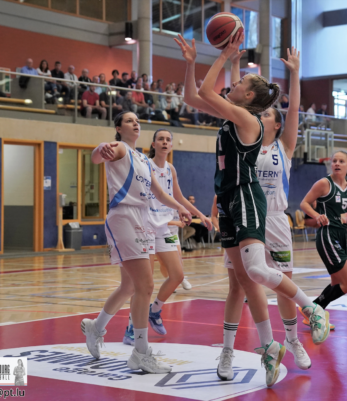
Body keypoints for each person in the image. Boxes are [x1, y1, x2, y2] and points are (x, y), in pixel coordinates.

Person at [175, 32, 330, 388]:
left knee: (259, 272)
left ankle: (310, 310)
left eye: (241, 82)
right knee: (242, 281)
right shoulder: (233, 116)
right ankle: (266, 347)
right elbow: (191, 96)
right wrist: (191, 64)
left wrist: (222, 57)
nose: (235, 83)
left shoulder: (251, 123)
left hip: (251, 200)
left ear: (250, 99)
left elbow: (210, 92)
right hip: (230, 200)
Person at [221, 46, 313, 372]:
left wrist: (294, 73)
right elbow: (237, 103)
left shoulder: (285, 147)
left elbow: (294, 108)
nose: (261, 117)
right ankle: (228, 351)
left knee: (283, 285)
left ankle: (293, 341)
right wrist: (233, 65)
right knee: (238, 286)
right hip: (244, 214)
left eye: (268, 115)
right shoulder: (244, 140)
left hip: (274, 219)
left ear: (277, 124)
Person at [81, 111, 192, 374]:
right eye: (129, 121)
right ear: (119, 128)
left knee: (129, 286)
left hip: (143, 218)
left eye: (137, 121)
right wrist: (100, 148)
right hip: (124, 216)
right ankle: (141, 352)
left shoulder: (142, 158)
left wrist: (180, 207)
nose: (135, 123)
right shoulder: (119, 148)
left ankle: (96, 327)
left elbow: (159, 193)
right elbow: (97, 156)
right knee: (146, 285)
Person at [123, 129, 211, 344]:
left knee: (177, 275)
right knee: (144, 284)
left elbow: (177, 196)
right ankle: (132, 327)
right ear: (153, 144)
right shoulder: (146, 165)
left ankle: (154, 310)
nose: (164, 142)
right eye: (160, 139)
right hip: (146, 227)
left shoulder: (170, 168)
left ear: (171, 145)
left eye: (168, 139)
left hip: (165, 229)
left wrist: (199, 214)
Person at [301, 151, 347, 317]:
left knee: (336, 283)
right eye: (334, 160)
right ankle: (313, 309)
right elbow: (304, 203)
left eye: (341, 161)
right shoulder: (324, 183)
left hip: (341, 235)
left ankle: (314, 313)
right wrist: (317, 215)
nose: (337, 163)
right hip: (328, 235)